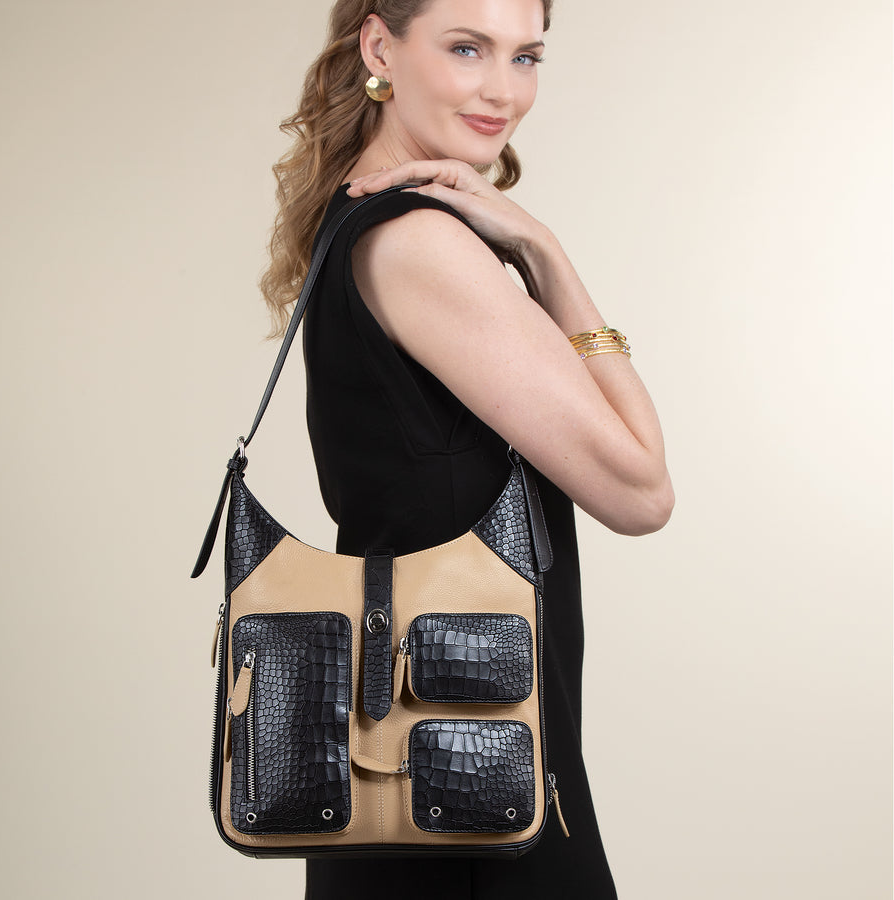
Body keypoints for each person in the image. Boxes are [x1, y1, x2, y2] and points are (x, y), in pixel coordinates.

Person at [260, 0, 674, 896]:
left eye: (525, 57)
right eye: (465, 48)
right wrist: (546, 253)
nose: (502, 91)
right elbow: (642, 492)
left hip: (415, 763)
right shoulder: (421, 243)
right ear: (380, 46)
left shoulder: (358, 221)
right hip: (468, 783)